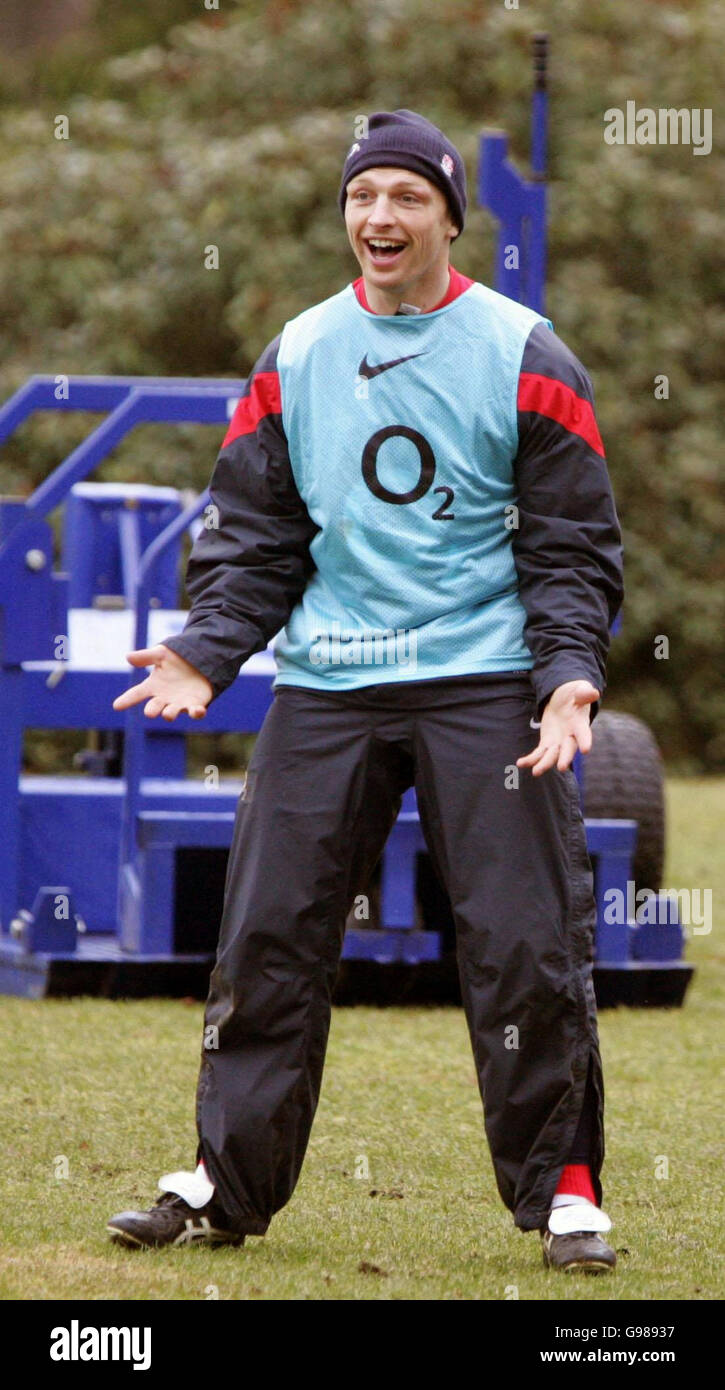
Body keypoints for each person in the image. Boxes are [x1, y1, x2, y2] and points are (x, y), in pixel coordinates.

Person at [106, 110, 624, 1274]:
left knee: (524, 945)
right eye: (361, 197)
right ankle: (222, 1184)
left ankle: (567, 1194)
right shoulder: (295, 354)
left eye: (404, 197)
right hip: (331, 680)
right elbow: (254, 532)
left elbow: (569, 546)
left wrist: (568, 676)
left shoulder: (526, 352)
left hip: (484, 679)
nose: (378, 218)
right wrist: (206, 646)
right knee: (267, 933)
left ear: (449, 216)